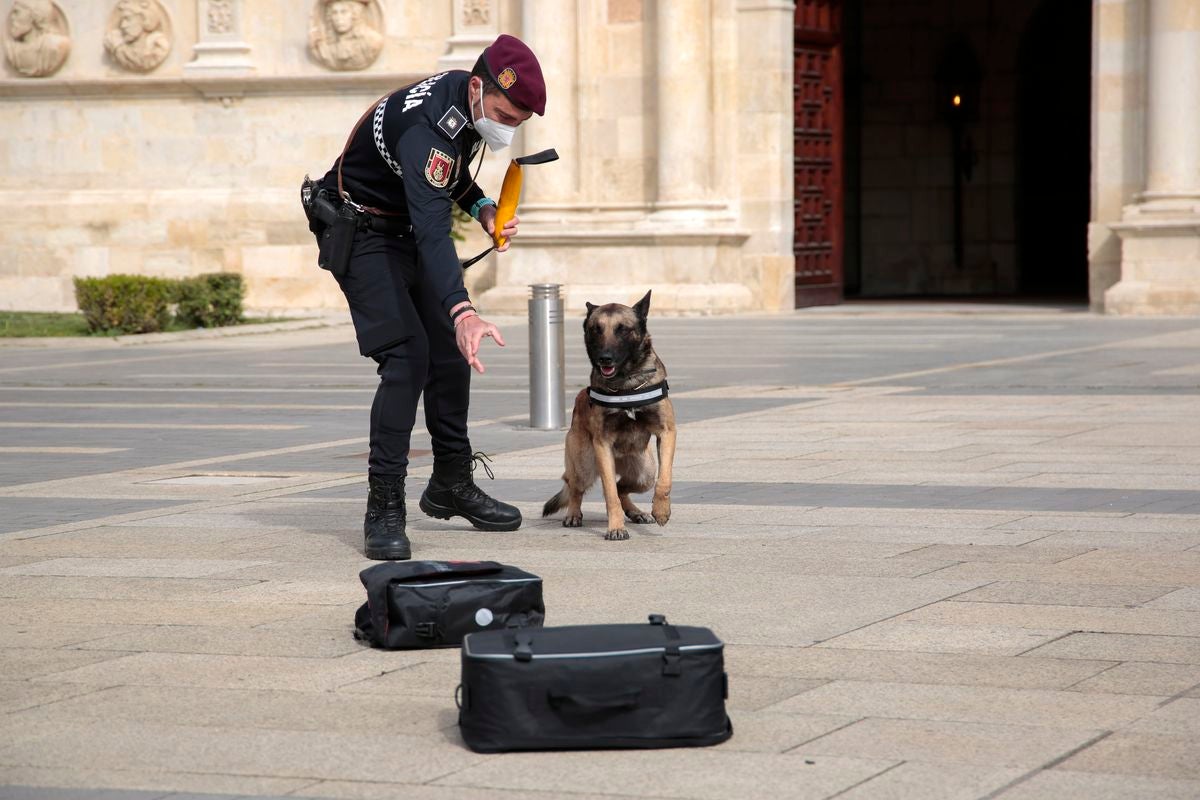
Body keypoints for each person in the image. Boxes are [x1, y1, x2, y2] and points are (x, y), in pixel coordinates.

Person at [309, 34, 546, 561]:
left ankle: (451, 483)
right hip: (362, 230)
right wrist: (463, 309)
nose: (508, 128)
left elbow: (449, 177)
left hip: (403, 227)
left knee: (449, 354)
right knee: (406, 359)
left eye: (518, 122)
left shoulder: (462, 98)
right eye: (505, 116)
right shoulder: (427, 132)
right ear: (480, 87)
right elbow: (434, 232)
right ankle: (384, 506)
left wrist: (483, 204)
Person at [309, 0, 382, 71]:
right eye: (334, 13)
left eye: (344, 12)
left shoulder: (372, 41)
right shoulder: (325, 50)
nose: (339, 18)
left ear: (355, 15)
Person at [4, 0, 70, 78]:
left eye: (17, 12)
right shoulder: (12, 51)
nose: (12, 18)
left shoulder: (55, 45)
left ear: (34, 16)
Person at [105, 0, 171, 73]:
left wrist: (118, 47)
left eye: (128, 19)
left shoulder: (158, 46)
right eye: (121, 21)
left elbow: (144, 62)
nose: (123, 25)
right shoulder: (115, 42)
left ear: (144, 20)